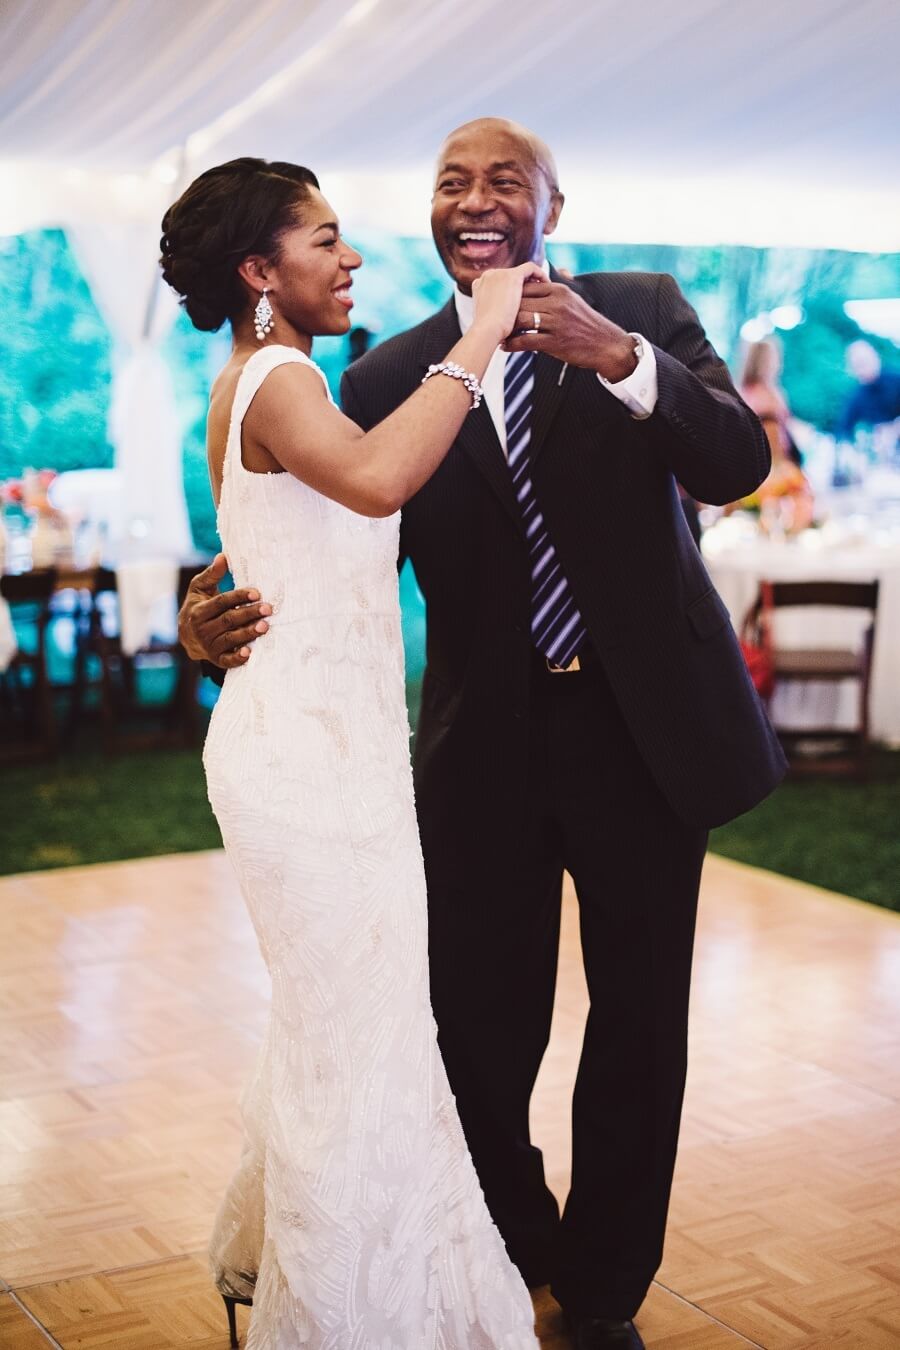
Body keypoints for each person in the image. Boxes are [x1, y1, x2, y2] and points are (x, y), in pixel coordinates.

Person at [181, 122, 786, 1350]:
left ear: (553, 201)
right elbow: (325, 535)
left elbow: (738, 464)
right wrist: (209, 609)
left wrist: (614, 358)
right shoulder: (382, 370)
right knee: (474, 1031)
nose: (474, 199)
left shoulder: (642, 306)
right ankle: (510, 1248)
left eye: (503, 179)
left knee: (637, 1029)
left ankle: (607, 1290)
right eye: (450, 182)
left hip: (645, 741)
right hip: (482, 751)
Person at [160, 156, 540, 1349]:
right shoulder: (276, 377)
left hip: (339, 757)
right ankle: (343, 1317)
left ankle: (337, 1279)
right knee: (360, 1035)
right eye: (325, 240)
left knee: (348, 1029)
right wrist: (477, 336)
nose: (354, 257)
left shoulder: (281, 383)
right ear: (258, 271)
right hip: (312, 776)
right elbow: (380, 483)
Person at [735, 340, 814, 531]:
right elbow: (773, 436)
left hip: (752, 468)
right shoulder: (767, 396)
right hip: (771, 466)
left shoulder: (742, 392)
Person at [836, 338, 900, 440]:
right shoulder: (856, 397)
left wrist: (894, 429)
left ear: (876, 357)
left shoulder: (897, 379)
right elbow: (843, 430)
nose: (862, 368)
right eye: (857, 365)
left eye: (864, 361)